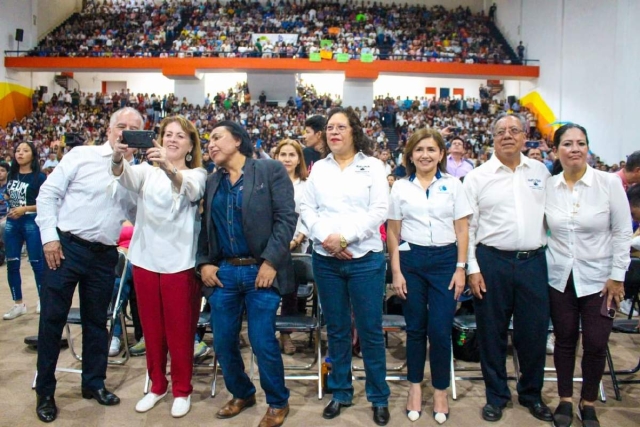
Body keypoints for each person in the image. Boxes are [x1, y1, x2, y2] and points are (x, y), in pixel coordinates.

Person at [34, 107, 140, 423]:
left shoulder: (137, 173)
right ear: (109, 130)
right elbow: (47, 196)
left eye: (133, 129)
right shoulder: (81, 155)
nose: (125, 133)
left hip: (104, 255)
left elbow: (136, 215)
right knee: (52, 321)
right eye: (121, 126)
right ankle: (45, 392)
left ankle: (93, 383)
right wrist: (49, 238)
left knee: (98, 322)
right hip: (65, 248)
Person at [197, 120, 296, 427]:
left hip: (260, 271)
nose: (210, 144)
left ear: (237, 140)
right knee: (224, 340)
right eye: (208, 140)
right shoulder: (213, 181)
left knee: (262, 339)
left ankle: (278, 401)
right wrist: (204, 263)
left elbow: (286, 219)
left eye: (217, 138)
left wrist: (269, 262)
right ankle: (242, 393)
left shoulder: (269, 170)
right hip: (224, 272)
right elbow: (206, 228)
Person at [300, 107, 391, 426]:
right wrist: (327, 239)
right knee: (336, 329)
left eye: (341, 127)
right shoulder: (319, 169)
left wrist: (345, 239)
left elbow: (379, 210)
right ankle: (340, 392)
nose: (333, 132)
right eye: (329, 128)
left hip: (365, 259)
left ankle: (378, 396)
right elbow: (307, 208)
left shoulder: (374, 166)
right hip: (326, 261)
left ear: (355, 131)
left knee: (369, 330)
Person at [111, 115, 206, 418]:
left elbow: (188, 188)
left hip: (180, 263)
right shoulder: (145, 172)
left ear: (191, 146)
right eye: (168, 134)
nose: (172, 139)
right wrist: (117, 157)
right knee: (151, 331)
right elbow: (124, 177)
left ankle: (182, 388)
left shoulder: (199, 173)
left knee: (180, 331)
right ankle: (157, 385)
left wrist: (167, 166)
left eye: (180, 136)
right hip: (145, 260)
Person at [463, 113, 552, 423]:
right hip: (491, 262)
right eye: (501, 131)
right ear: (492, 137)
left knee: (534, 333)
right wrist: (472, 267)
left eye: (514, 130)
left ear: (525, 135)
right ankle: (497, 396)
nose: (508, 135)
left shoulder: (541, 171)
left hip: (533, 262)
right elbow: (469, 227)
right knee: (491, 333)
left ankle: (531, 394)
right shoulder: (477, 177)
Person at [544, 124, 632, 427]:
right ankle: (566, 400)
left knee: (596, 342)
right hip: (559, 278)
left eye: (581, 143)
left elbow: (622, 233)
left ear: (588, 148)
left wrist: (617, 276)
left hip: (600, 279)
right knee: (565, 340)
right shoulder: (549, 186)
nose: (575, 149)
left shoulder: (608, 184)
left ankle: (589, 401)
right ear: (556, 151)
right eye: (567, 144)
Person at [387, 128, 472, 424]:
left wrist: (461, 268)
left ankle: (439, 391)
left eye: (431, 149)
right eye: (419, 149)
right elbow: (394, 233)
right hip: (411, 261)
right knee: (415, 330)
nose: (425, 155)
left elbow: (462, 230)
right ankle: (413, 388)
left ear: (441, 154)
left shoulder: (453, 185)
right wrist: (396, 272)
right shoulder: (399, 187)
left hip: (446, 262)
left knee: (439, 330)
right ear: (410, 155)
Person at [3, 141, 46, 320]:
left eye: (25, 151)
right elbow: (8, 194)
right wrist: (9, 202)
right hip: (12, 223)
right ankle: (18, 304)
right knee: (12, 263)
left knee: (37, 263)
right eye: (18, 150)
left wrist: (24, 209)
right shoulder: (12, 174)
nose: (20, 153)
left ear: (33, 155)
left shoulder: (39, 177)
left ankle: (43, 300)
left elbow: (45, 203)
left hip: (31, 221)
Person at [274, 138, 309, 355]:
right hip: (271, 246)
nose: (287, 159)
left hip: (296, 246)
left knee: (289, 293)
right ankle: (266, 334)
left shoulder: (306, 186)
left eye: (291, 155)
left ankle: (285, 335)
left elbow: (309, 215)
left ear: (298, 160)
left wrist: (296, 240)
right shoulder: (268, 182)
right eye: (283, 154)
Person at [0, 162, 9, 264]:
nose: (0, 173)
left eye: (2, 171)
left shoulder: (10, 186)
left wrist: (5, 217)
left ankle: (5, 251)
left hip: (7, 215)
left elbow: (14, 206)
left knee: (2, 225)